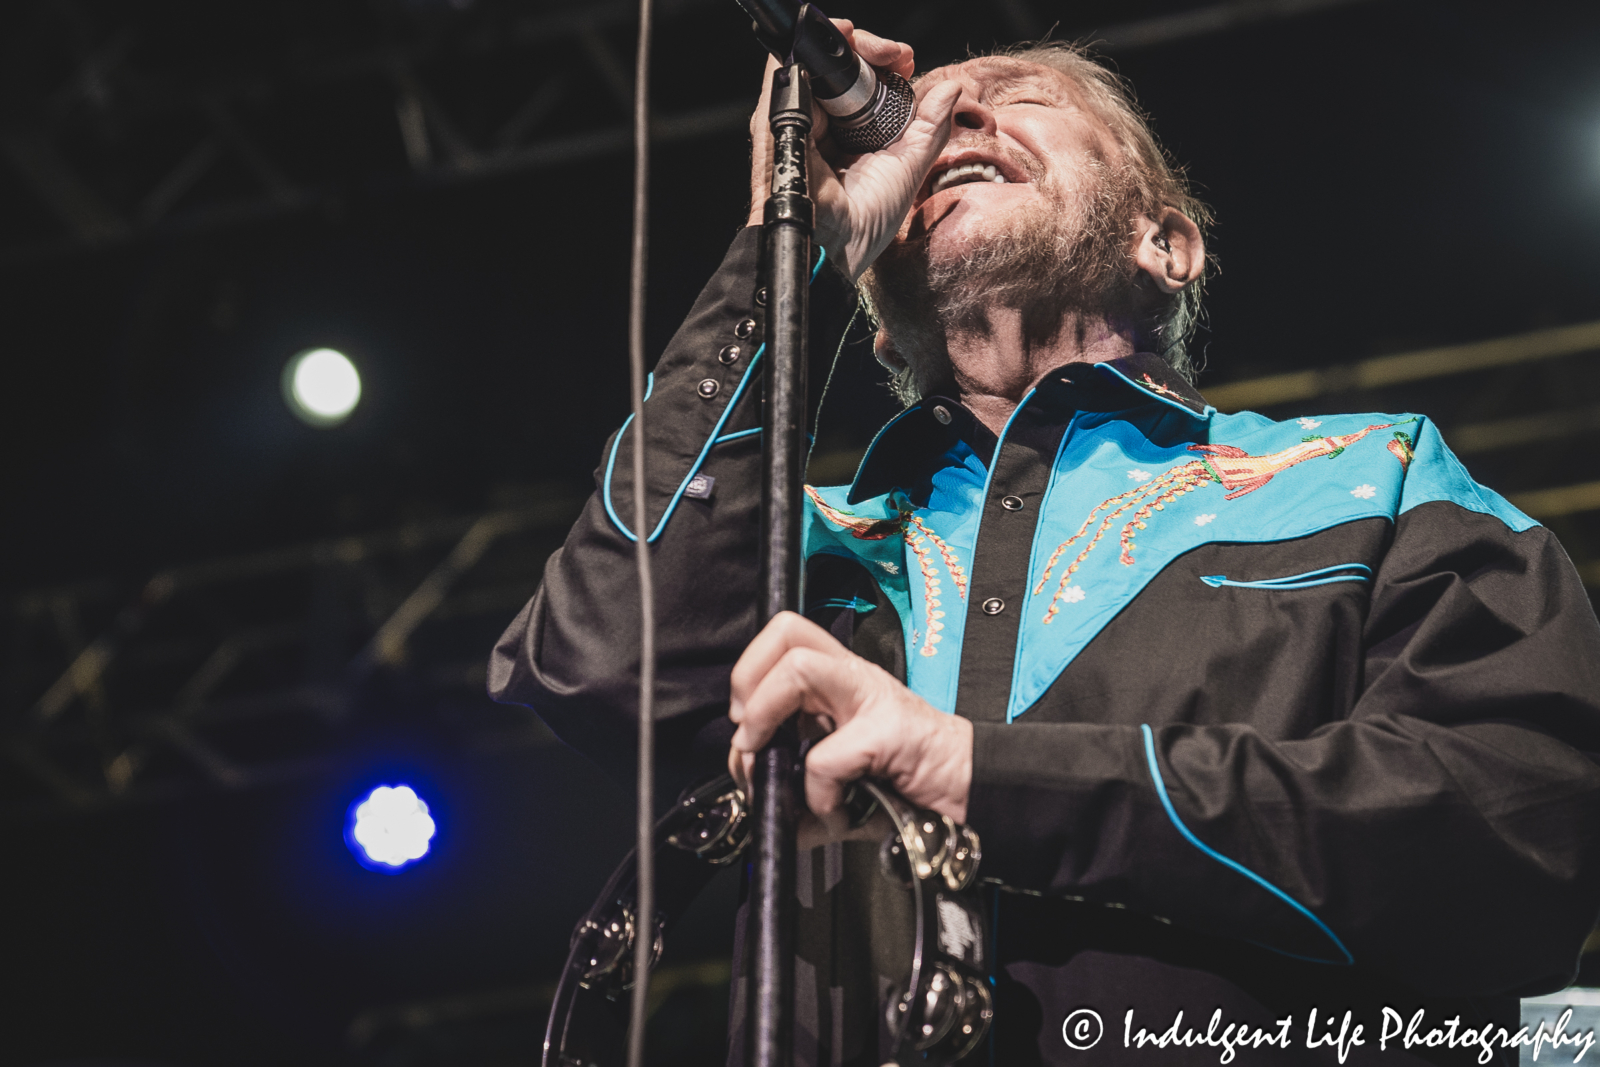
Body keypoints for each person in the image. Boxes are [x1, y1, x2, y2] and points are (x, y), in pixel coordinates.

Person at [491, 23, 1600, 1067]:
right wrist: (797, 250)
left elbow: (1518, 830)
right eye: (927, 118)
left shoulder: (1374, 474)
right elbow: (599, 659)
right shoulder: (805, 548)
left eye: (1012, 101)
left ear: (1162, 241)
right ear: (876, 315)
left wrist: (986, 776)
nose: (946, 125)